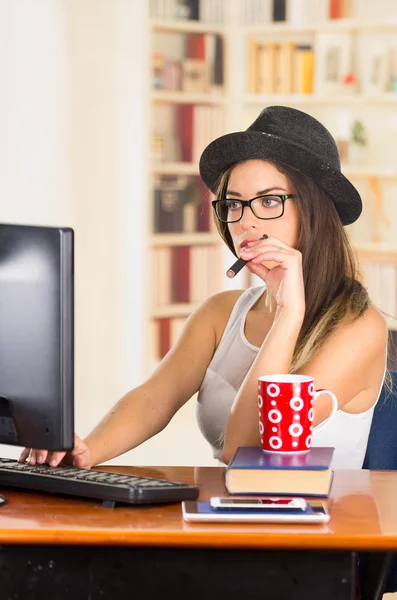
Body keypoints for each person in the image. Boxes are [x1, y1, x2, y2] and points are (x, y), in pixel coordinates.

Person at [20, 105, 388, 470]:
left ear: (315, 211)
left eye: (269, 201)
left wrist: (289, 314)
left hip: (323, 524)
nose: (245, 221)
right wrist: (87, 452)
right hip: (228, 516)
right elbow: (155, 399)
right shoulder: (219, 314)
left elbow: (245, 450)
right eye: (234, 204)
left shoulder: (358, 328)